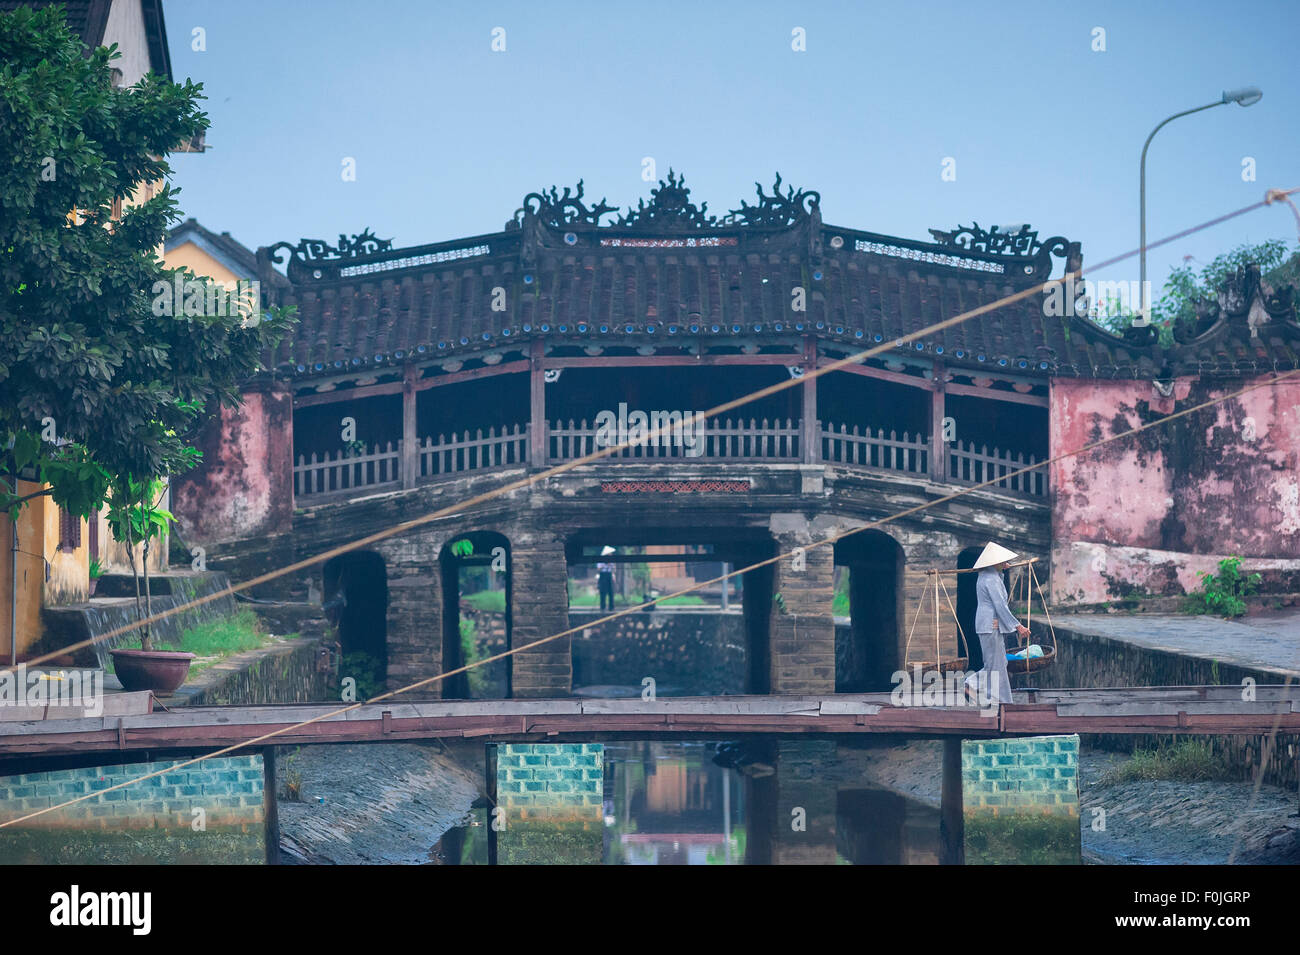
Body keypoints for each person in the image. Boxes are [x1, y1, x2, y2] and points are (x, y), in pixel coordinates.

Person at [964, 542, 1031, 705]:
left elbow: (998, 596)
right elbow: (1000, 604)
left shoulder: (987, 576)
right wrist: (1018, 626)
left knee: (1000, 664)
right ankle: (972, 684)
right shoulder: (991, 579)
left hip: (988, 624)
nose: (1005, 564)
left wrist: (1001, 569)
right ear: (994, 563)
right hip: (989, 625)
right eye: (1001, 562)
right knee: (994, 665)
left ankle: (1002, 700)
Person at [596, 545, 616, 611]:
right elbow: (598, 569)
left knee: (611, 592)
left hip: (609, 575)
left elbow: (614, 569)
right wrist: (604, 564)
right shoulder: (601, 560)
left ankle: (611, 607)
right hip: (603, 575)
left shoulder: (611, 561)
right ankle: (603, 607)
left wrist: (610, 565)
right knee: (603, 592)